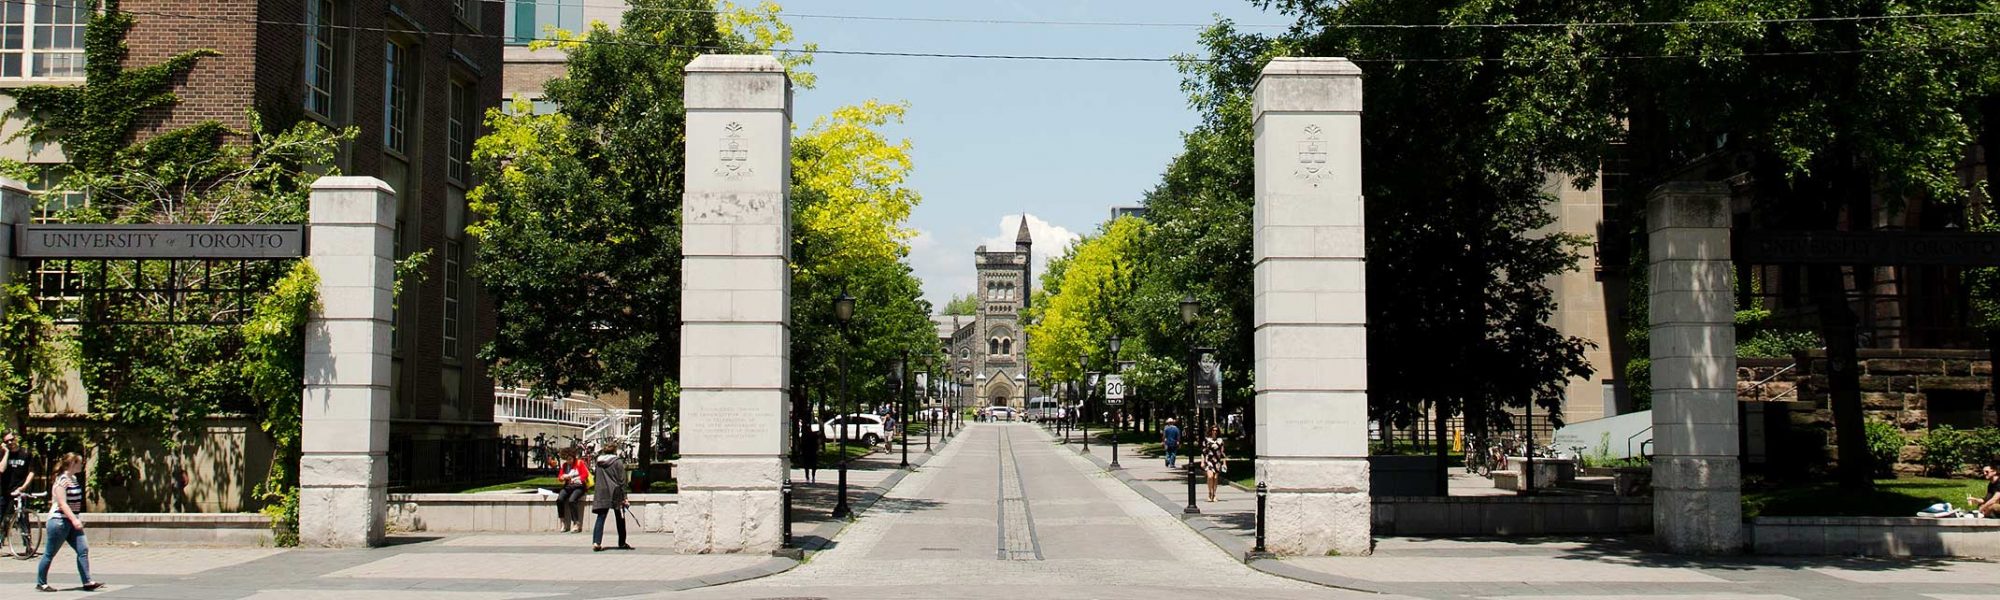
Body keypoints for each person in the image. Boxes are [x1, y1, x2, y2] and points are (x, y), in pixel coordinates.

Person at [36, 453, 101, 592]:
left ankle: (87, 581)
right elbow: (62, 504)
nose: (82, 465)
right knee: (50, 553)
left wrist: (75, 519)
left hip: (72, 520)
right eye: (79, 463)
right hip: (59, 521)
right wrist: (74, 519)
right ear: (72, 464)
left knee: (83, 549)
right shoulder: (61, 481)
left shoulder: (74, 479)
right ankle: (41, 583)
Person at [2, 432, 38, 559]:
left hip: (20, 490)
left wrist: (23, 487)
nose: (10, 443)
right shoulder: (3, 454)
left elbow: (32, 471)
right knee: (2, 517)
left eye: (11, 440)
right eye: (7, 441)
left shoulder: (26, 454)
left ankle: (28, 545)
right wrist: (6, 453)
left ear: (16, 438)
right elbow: (1, 469)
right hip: (5, 491)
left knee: (23, 518)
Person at [591, 441, 632, 551]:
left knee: (601, 517)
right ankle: (622, 542)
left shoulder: (598, 462)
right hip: (616, 492)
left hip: (601, 491)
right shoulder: (617, 462)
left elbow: (596, 478)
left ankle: (596, 542)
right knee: (620, 518)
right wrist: (625, 497)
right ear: (615, 450)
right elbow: (622, 480)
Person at [555, 447, 589, 533]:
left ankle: (576, 523)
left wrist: (575, 479)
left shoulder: (579, 463)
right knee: (560, 499)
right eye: (566, 459)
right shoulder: (565, 466)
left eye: (570, 459)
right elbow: (560, 476)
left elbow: (585, 474)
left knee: (572, 500)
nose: (568, 461)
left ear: (573, 457)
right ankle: (563, 522)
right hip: (568, 486)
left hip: (579, 486)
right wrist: (562, 477)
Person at [1202, 426, 1227, 503]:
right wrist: (1202, 462)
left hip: (1217, 461)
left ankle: (1214, 494)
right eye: (1213, 430)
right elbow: (1203, 452)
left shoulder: (1220, 441)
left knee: (1215, 478)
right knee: (1210, 477)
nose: (1215, 432)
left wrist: (1224, 463)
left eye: (1216, 430)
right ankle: (1210, 493)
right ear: (1211, 431)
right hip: (1209, 461)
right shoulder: (1207, 440)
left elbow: (1223, 453)